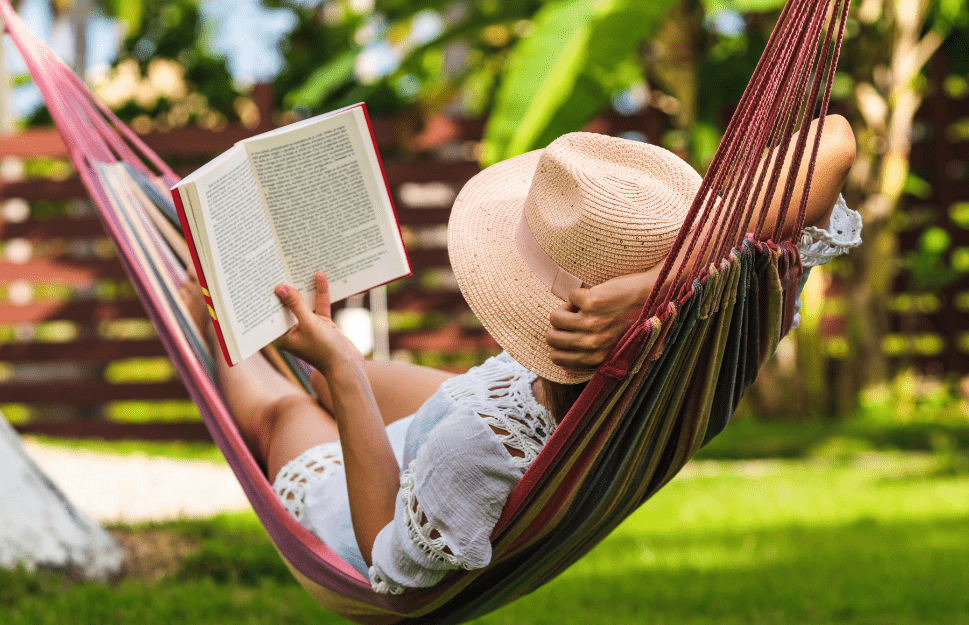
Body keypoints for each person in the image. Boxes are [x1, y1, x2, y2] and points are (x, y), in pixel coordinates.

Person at [179, 116, 860, 594]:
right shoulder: (718, 320)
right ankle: (285, 331)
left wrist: (342, 370)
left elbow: (387, 561)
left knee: (288, 408)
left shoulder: (474, 453)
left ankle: (206, 311)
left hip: (382, 494)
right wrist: (663, 282)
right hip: (493, 398)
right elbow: (835, 138)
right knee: (318, 370)